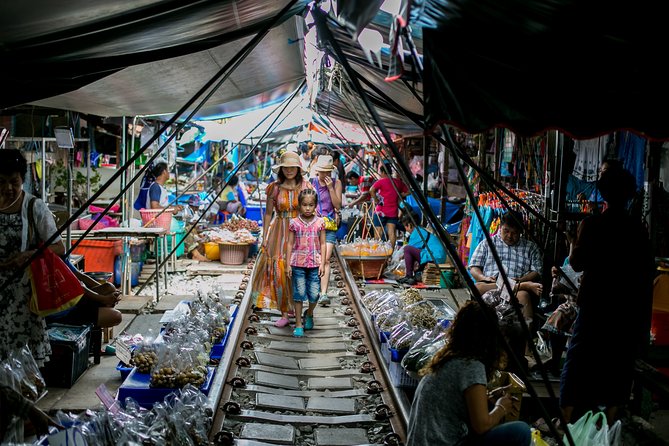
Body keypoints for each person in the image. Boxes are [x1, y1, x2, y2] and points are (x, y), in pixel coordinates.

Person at [560, 167, 653, 425]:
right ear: (629, 196)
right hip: (623, 308)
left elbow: (577, 263)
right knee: (618, 363)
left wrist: (574, 241)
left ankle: (565, 417)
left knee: (578, 358)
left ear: (604, 194)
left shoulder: (592, 224)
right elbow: (645, 270)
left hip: (594, 305)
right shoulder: (637, 228)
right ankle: (611, 423)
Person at [407, 300, 531, 446]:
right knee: (521, 431)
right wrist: (501, 407)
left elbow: (455, 402)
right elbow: (481, 426)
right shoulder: (472, 366)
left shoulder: (449, 356)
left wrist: (488, 398)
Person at [0, 149, 65, 367]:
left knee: (21, 364)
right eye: (1, 182)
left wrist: (28, 256)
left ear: (22, 179)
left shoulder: (33, 207)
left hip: (23, 299)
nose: (8, 188)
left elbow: (58, 247)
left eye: (14, 181)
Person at [251, 151, 313, 327]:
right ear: (281, 169)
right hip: (279, 231)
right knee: (279, 271)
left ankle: (298, 306)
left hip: (301, 232)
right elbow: (269, 213)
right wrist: (264, 235)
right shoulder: (274, 188)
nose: (289, 170)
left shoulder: (306, 186)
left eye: (292, 167)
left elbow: (313, 211)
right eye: (286, 167)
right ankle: (285, 312)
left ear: (298, 168)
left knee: (298, 270)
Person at [468, 211, 543, 323]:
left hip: (517, 290)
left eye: (514, 233)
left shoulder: (531, 247)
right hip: (492, 286)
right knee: (477, 288)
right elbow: (474, 267)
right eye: (506, 231)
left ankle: (526, 336)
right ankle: (523, 286)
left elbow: (537, 272)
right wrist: (483, 277)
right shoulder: (487, 243)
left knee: (524, 296)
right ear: (500, 227)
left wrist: (521, 280)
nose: (509, 236)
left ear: (520, 231)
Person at [286, 189, 326, 337]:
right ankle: (298, 324)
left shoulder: (320, 223)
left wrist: (322, 263)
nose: (308, 208)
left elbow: (322, 243)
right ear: (299, 206)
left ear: (315, 205)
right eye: (304, 205)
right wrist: (287, 264)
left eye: (311, 205)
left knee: (315, 294)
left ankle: (308, 313)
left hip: (315, 263)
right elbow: (290, 244)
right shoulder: (294, 223)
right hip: (298, 264)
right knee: (299, 294)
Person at [47, 260, 123, 329]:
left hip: (74, 301)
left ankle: (99, 317)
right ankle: (96, 321)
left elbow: (80, 276)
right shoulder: (45, 259)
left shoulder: (60, 257)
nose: (62, 246)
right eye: (55, 244)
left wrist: (111, 293)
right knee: (116, 316)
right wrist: (104, 299)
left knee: (109, 287)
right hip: (62, 312)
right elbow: (79, 287)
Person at [309, 155, 343, 306]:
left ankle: (323, 293)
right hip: (314, 224)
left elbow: (337, 206)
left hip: (329, 225)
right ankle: (313, 289)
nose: (325, 175)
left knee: (326, 258)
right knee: (313, 258)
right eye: (322, 172)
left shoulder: (337, 183)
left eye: (328, 172)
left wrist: (330, 188)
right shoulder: (311, 183)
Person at [397, 211, 447, 285]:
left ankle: (409, 276)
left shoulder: (417, 233)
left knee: (407, 249)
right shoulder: (420, 230)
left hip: (435, 257)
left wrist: (397, 258)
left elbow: (408, 251)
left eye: (406, 226)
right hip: (438, 256)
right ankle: (412, 275)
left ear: (410, 225)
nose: (406, 229)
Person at [369, 161, 409, 251]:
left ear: (383, 172)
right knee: (392, 233)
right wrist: (399, 195)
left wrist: (376, 200)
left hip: (380, 211)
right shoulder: (398, 182)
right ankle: (390, 253)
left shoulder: (381, 181)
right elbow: (409, 191)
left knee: (378, 233)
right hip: (392, 212)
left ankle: (377, 252)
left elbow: (371, 190)